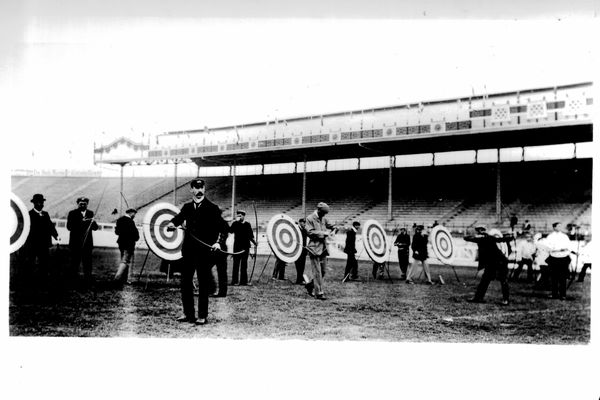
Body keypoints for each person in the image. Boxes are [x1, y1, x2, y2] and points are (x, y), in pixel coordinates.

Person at [167, 178, 226, 325]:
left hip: (204, 253)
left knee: (203, 284)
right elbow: (177, 219)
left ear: (204, 189)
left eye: (202, 188)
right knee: (185, 283)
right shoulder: (187, 207)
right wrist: (171, 224)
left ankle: (202, 315)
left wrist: (218, 243)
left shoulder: (212, 208)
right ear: (191, 190)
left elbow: (224, 228)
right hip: (188, 252)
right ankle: (188, 314)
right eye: (196, 188)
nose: (199, 191)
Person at [465, 225, 514, 305]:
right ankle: (478, 298)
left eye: (481, 230)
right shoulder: (485, 238)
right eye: (479, 230)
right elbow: (501, 239)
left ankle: (506, 299)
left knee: (503, 280)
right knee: (485, 280)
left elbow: (501, 239)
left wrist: (511, 237)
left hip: (500, 262)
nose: (480, 232)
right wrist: (511, 237)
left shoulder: (486, 238)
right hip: (491, 263)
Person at [22, 193, 59, 279]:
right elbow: (25, 229)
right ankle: (28, 281)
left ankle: (43, 280)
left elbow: (50, 226)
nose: (40, 204)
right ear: (34, 203)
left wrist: (56, 236)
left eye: (41, 202)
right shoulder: (29, 214)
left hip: (44, 244)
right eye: (38, 202)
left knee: (44, 263)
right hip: (32, 244)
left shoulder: (46, 214)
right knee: (30, 262)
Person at [305, 202, 336, 300]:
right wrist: (324, 233)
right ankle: (319, 293)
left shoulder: (324, 218)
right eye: (323, 213)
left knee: (323, 270)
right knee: (317, 271)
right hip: (314, 248)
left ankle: (310, 285)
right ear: (318, 210)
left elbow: (333, 226)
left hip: (323, 248)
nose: (324, 215)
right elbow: (309, 232)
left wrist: (334, 230)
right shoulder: (309, 218)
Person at [67, 197, 99, 284]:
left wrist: (93, 222)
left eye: (84, 204)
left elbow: (95, 228)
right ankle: (73, 280)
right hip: (75, 243)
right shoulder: (72, 213)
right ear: (77, 204)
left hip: (87, 244)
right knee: (74, 262)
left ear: (87, 204)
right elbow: (69, 227)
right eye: (81, 204)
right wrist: (82, 222)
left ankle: (88, 280)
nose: (82, 205)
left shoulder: (90, 213)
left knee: (87, 262)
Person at [544, 222, 572, 300]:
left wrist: (564, 251)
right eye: (558, 226)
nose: (560, 227)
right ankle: (554, 294)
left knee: (563, 277)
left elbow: (568, 247)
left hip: (563, 258)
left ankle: (563, 294)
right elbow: (548, 247)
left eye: (561, 226)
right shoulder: (550, 237)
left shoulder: (564, 236)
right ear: (554, 227)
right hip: (554, 258)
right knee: (554, 277)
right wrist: (558, 249)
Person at [229, 210, 257, 286]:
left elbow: (250, 236)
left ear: (244, 216)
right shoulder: (235, 224)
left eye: (240, 215)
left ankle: (243, 281)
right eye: (238, 215)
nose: (239, 217)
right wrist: (234, 222)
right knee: (236, 264)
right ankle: (234, 281)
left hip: (245, 247)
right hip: (237, 247)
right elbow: (230, 231)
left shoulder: (247, 224)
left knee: (244, 265)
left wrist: (254, 243)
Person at [114, 208, 140, 285]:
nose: (134, 215)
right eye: (134, 213)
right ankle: (117, 278)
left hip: (121, 243)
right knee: (125, 261)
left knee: (124, 260)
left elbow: (117, 232)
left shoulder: (120, 220)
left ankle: (123, 279)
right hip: (129, 244)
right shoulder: (131, 222)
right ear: (131, 213)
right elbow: (135, 235)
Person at [210, 215, 230, 297]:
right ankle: (210, 289)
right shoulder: (210, 223)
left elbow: (223, 234)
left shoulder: (223, 223)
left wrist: (218, 243)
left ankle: (222, 292)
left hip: (220, 251)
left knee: (222, 271)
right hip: (211, 250)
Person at [294, 218, 308, 284]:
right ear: (300, 222)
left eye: (305, 223)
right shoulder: (296, 230)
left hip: (303, 250)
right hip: (297, 250)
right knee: (298, 265)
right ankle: (299, 279)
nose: (305, 224)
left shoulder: (305, 230)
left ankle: (300, 278)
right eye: (303, 222)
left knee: (302, 265)